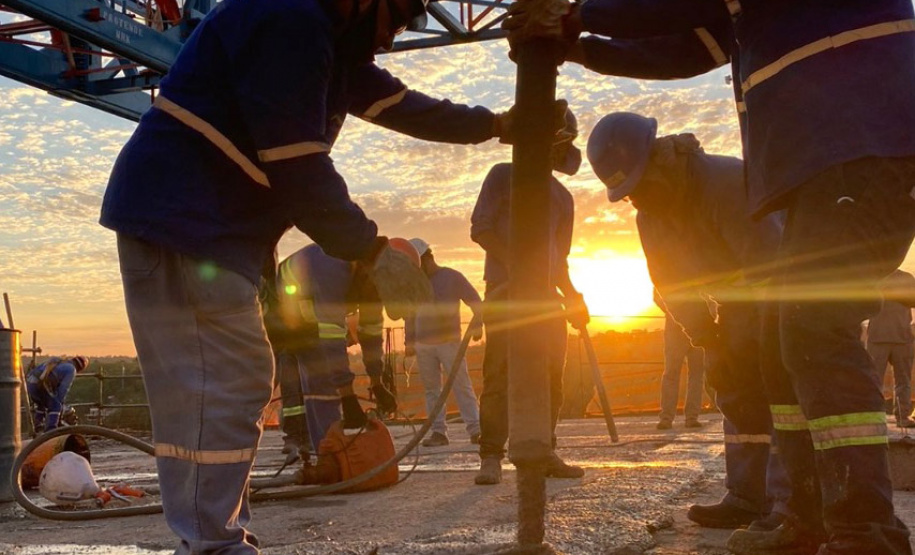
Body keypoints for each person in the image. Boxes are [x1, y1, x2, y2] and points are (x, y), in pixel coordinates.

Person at [99, 0, 516, 550]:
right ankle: (210, 543)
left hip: (203, 230)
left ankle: (212, 537)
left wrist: (499, 126)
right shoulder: (290, 18)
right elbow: (298, 166)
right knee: (218, 389)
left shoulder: (330, 43)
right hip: (184, 222)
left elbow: (410, 109)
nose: (391, 39)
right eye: (395, 19)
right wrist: (368, 249)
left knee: (227, 386)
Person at [510, 1, 915, 553]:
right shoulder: (749, 20)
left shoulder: (719, 186)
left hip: (867, 136)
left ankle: (867, 529)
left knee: (815, 327)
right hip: (824, 159)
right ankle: (807, 515)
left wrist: (576, 14)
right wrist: (580, 45)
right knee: (784, 344)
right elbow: (694, 45)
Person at [587, 114, 787, 530]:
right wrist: (710, 342)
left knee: (781, 387)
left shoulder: (727, 182)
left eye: (639, 187)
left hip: (784, 293)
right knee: (735, 387)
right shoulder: (651, 215)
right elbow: (671, 285)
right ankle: (748, 496)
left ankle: (791, 502)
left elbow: (770, 265)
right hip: (736, 304)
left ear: (660, 158)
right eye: (627, 194)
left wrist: (754, 337)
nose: (636, 200)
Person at [470, 108, 589, 485]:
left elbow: (559, 258)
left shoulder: (563, 198)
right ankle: (491, 455)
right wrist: (518, 266)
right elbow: (481, 230)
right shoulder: (503, 176)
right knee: (500, 373)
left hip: (545, 298)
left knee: (552, 373)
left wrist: (572, 296)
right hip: (506, 294)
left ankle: (544, 449)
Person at [265, 242, 410, 451]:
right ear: (371, 270)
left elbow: (371, 335)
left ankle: (328, 451)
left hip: (308, 315)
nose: (377, 294)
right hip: (279, 310)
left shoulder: (372, 283)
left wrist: (377, 382)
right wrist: (348, 397)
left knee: (323, 382)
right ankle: (329, 453)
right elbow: (332, 339)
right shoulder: (332, 267)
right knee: (315, 379)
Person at [404, 238, 483, 447]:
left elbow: (475, 301)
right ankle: (439, 432)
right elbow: (409, 313)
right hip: (424, 345)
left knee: (461, 386)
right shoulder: (415, 284)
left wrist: (478, 325)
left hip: (449, 343)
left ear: (428, 258)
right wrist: (409, 341)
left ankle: (476, 430)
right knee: (432, 390)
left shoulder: (452, 277)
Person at [867, 270, 915, 428]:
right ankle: (900, 417)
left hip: (890, 337)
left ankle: (875, 417)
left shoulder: (875, 277)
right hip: (893, 336)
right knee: (899, 380)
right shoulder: (903, 278)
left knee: (874, 380)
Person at [656, 292, 705, 430]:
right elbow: (658, 296)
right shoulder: (669, 272)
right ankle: (668, 418)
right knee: (674, 373)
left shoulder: (667, 272)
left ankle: (688, 418)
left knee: (695, 374)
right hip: (681, 328)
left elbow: (658, 296)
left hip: (696, 327)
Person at [26, 356, 89, 433]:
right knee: (56, 406)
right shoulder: (71, 369)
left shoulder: (59, 362)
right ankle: (51, 431)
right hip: (41, 385)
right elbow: (64, 388)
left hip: (30, 383)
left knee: (41, 405)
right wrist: (59, 402)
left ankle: (38, 426)